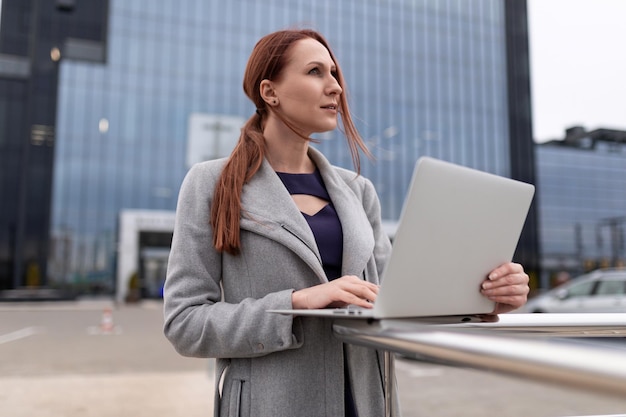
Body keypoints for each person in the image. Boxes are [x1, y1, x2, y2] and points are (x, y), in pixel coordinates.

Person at [163, 29, 530, 417]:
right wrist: (296, 304)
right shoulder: (212, 183)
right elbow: (185, 323)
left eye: (335, 73)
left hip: (368, 403)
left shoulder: (358, 191)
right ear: (269, 92)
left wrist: (481, 300)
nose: (335, 87)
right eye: (316, 72)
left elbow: (394, 311)